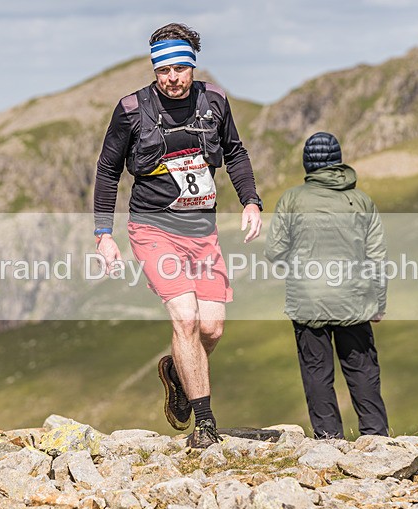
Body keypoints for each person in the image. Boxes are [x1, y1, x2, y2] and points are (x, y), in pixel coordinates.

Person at [93, 23, 263, 448]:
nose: (172, 78)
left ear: (192, 66)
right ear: (155, 69)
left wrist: (250, 201)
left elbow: (236, 152)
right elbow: (108, 170)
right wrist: (103, 234)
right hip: (153, 228)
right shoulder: (132, 109)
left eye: (180, 69)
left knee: (211, 329)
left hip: (202, 232)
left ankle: (176, 371)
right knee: (185, 317)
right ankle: (205, 425)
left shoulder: (216, 102)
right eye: (163, 70)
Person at [264, 132, 388, 439]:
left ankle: (328, 439)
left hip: (307, 301)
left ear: (308, 163)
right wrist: (378, 303)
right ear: (338, 160)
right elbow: (377, 259)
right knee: (362, 370)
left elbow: (274, 252)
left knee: (316, 372)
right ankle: (375, 436)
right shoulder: (361, 201)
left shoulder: (291, 200)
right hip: (355, 301)